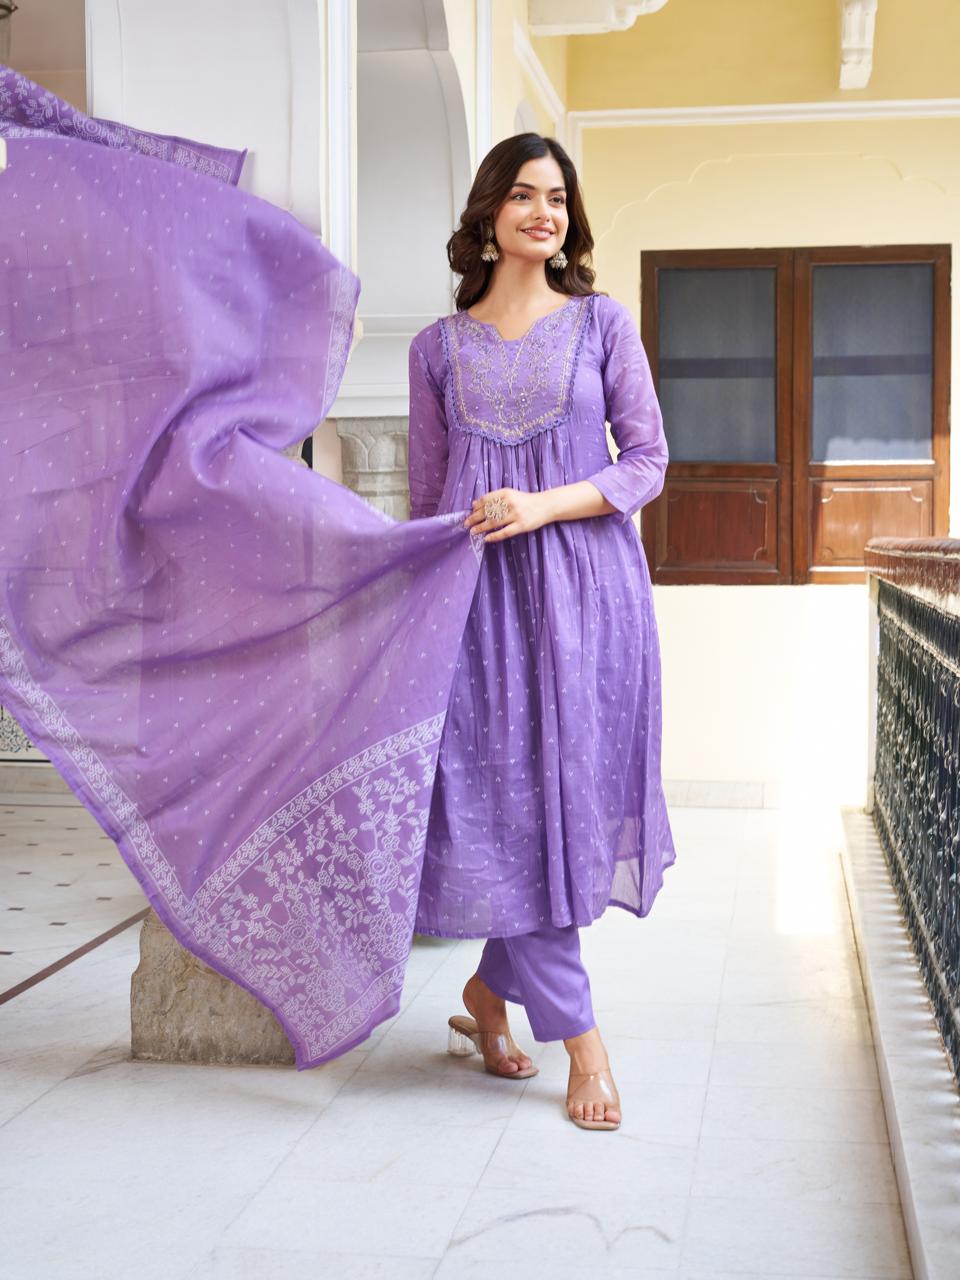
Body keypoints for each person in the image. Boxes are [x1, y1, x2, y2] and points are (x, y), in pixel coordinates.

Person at [406, 133, 677, 1130]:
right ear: (489, 214)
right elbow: (433, 494)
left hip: (590, 599)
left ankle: (489, 996)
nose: (543, 213)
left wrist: (541, 504)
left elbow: (645, 462)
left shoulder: (603, 324)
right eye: (522, 196)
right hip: (477, 613)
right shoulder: (435, 348)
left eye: (557, 198)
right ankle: (585, 1041)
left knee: (560, 806)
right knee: (508, 814)